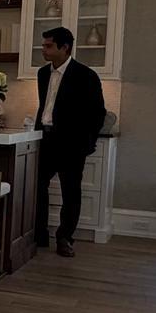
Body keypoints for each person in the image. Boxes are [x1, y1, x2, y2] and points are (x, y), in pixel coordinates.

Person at [34, 25, 105, 257]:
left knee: (71, 192)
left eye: (48, 46)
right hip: (45, 139)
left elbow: (98, 113)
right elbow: (45, 105)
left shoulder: (86, 75)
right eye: (43, 45)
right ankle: (39, 234)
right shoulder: (42, 74)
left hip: (72, 144)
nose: (43, 49)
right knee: (37, 187)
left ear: (64, 48)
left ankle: (64, 238)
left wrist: (87, 143)